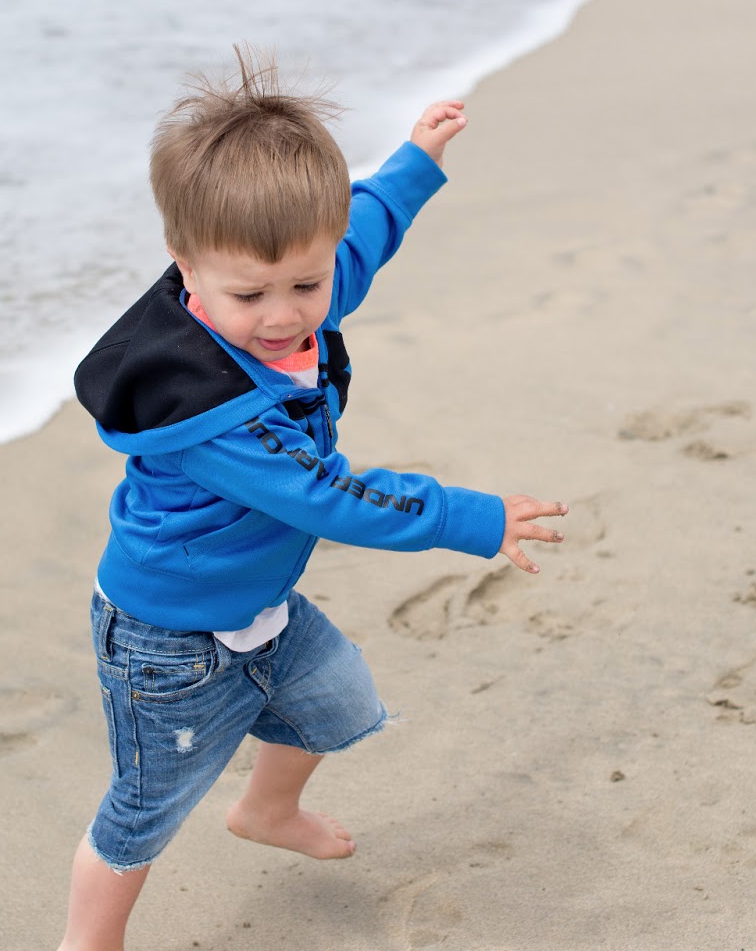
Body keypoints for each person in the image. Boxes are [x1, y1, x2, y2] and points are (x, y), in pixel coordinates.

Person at [60, 46, 568, 950]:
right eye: (250, 293)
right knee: (141, 815)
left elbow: (360, 235)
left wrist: (414, 165)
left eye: (307, 283)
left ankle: (265, 809)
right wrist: (467, 517)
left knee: (330, 703)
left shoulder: (304, 285)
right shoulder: (213, 411)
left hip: (261, 604)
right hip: (165, 641)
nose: (287, 314)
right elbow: (334, 498)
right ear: (183, 265)